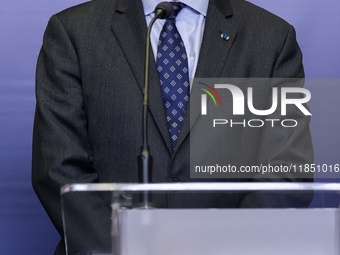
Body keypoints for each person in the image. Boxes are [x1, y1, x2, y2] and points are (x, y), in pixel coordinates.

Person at [32, 0, 313, 254]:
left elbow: (286, 169)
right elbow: (58, 165)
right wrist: (118, 249)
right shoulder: (74, 31)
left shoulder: (271, 36)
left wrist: (228, 246)